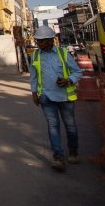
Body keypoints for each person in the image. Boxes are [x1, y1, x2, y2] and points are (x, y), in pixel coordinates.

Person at [29, 25, 82, 172]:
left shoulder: (63, 53)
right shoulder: (35, 56)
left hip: (65, 97)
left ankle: (73, 151)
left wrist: (68, 80)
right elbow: (33, 77)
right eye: (37, 41)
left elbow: (77, 72)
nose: (38, 43)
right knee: (53, 126)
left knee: (70, 125)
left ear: (50, 41)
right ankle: (58, 157)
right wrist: (34, 93)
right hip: (46, 97)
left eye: (41, 41)